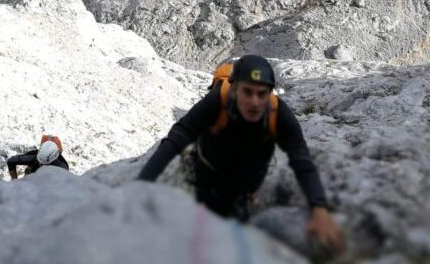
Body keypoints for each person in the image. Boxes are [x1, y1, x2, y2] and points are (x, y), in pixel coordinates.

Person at [137, 55, 346, 255]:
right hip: (208, 178)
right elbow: (176, 140)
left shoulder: (278, 113)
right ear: (234, 89)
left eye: (261, 93)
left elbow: (301, 159)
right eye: (247, 92)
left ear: (270, 93)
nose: (255, 101)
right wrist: (141, 186)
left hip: (245, 185)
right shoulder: (216, 101)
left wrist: (319, 208)